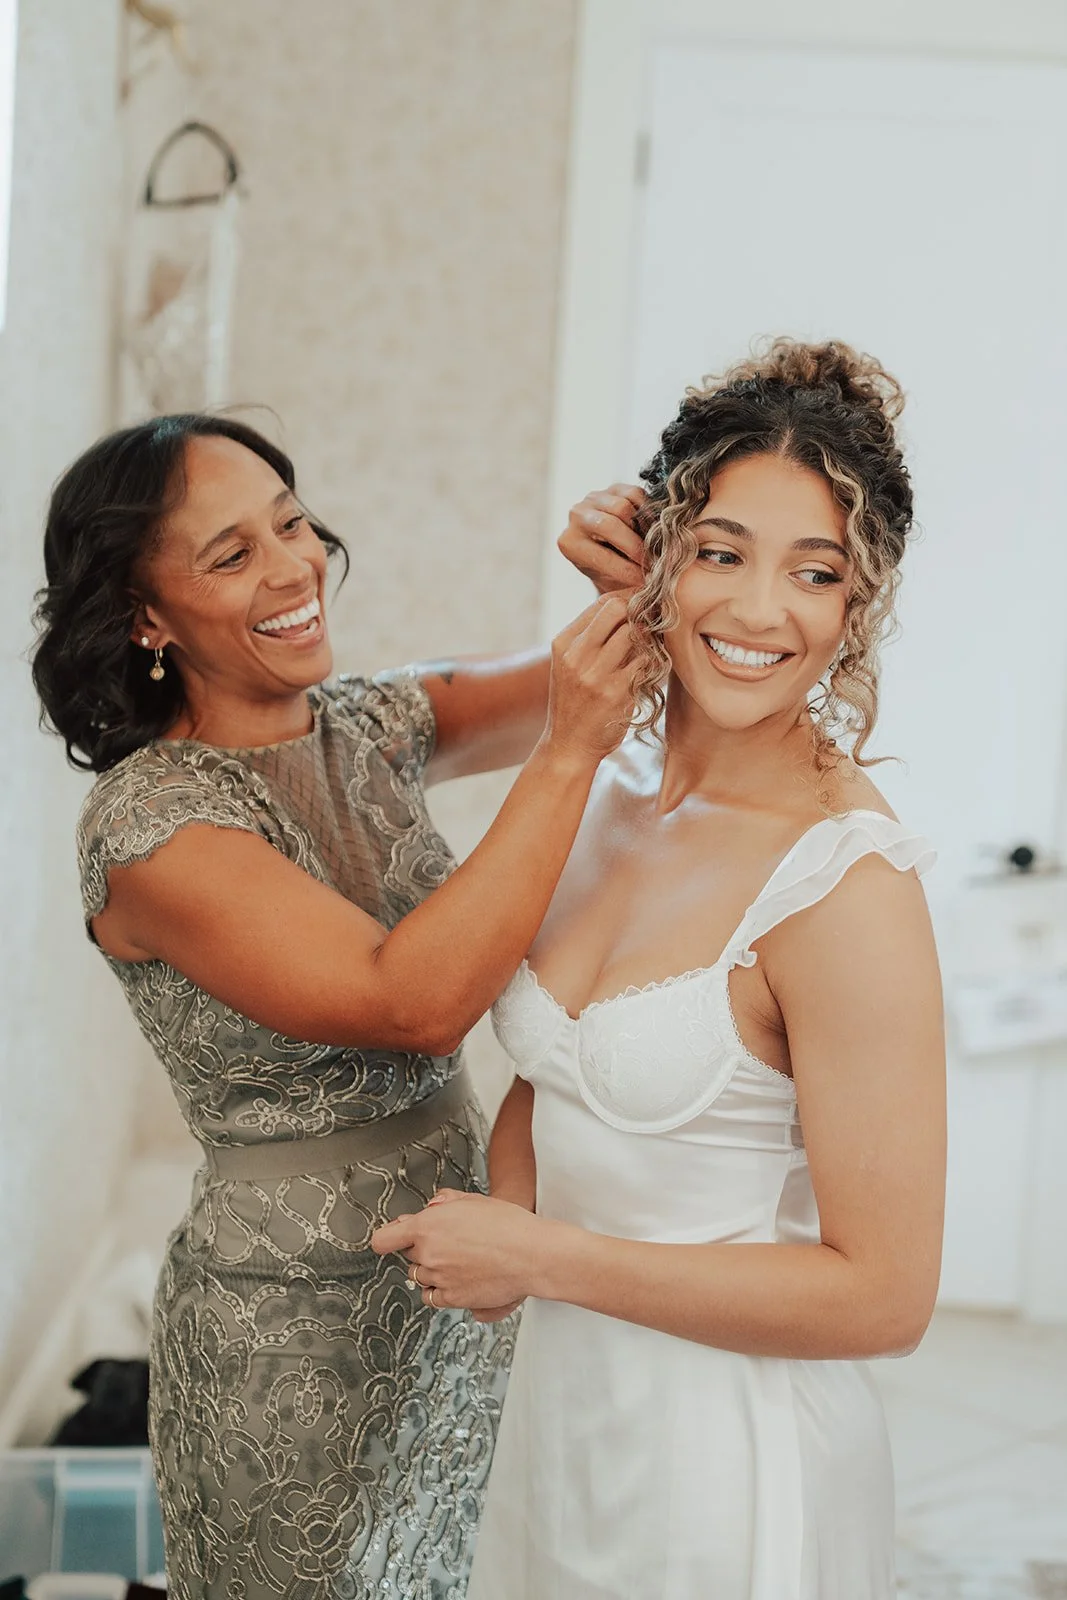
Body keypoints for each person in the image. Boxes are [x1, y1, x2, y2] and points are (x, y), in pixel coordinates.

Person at [372, 340, 947, 1600]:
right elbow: (563, 1067)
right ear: (661, 559)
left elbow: (882, 1297)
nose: (756, 612)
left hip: (723, 1474)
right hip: (560, 1419)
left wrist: (535, 1258)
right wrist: (499, 1218)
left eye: (815, 573)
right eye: (721, 552)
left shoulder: (843, 888)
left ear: (859, 604)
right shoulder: (601, 782)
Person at [31, 412, 634, 1600]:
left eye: (292, 523)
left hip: (453, 1282)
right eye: (230, 554)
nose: (294, 566)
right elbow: (408, 1002)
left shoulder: (368, 722)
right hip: (289, 1345)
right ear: (145, 617)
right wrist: (565, 758)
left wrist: (645, 552)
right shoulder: (154, 827)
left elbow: (597, 675)